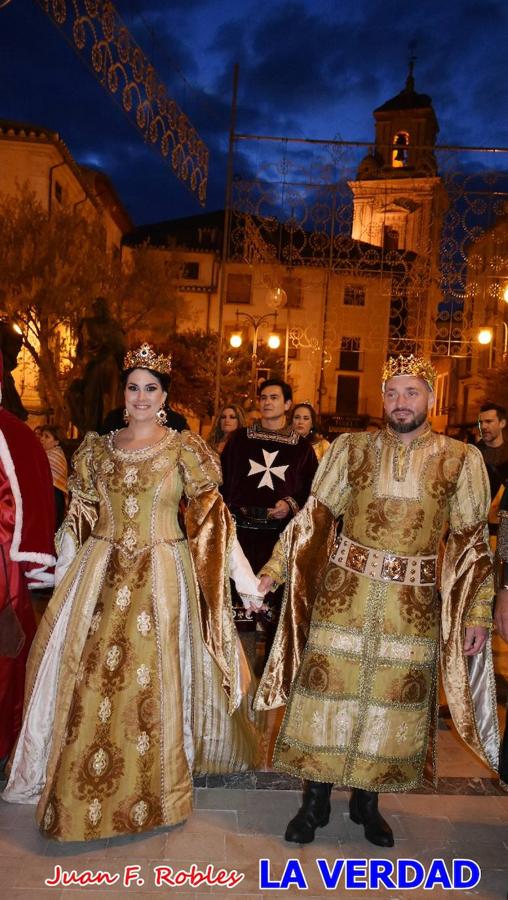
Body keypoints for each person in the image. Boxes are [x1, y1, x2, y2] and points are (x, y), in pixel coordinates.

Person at [3, 343, 264, 841]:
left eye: (151, 388)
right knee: (89, 678)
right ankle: (78, 786)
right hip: (99, 574)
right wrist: (58, 580)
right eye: (133, 387)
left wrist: (245, 583)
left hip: (163, 575)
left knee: (155, 678)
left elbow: (213, 523)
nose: (141, 397)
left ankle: (158, 790)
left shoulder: (184, 450)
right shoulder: (98, 450)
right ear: (122, 393)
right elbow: (77, 522)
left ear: (164, 396)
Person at [256, 354, 498, 848]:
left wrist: (477, 611)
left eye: (412, 393)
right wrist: (275, 567)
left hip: (412, 605)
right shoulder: (351, 449)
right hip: (345, 594)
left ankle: (368, 802)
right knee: (327, 694)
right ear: (382, 398)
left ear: (431, 398)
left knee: (391, 704)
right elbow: (317, 516)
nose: (401, 402)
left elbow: (472, 542)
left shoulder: (461, 458)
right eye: (393, 393)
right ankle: (314, 801)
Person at [221, 379, 318, 662]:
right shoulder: (239, 440)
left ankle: (270, 681)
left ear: (287, 404)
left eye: (274, 397)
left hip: (277, 540)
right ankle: (241, 679)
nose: (267, 402)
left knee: (275, 614)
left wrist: (289, 504)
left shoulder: (301, 449)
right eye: (263, 397)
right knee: (240, 616)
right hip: (240, 537)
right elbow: (222, 479)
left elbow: (312, 489)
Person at [0, 352, 55, 768]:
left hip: (3, 570)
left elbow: (34, 498)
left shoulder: (15, 435)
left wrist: (33, 562)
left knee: (5, 651)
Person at [40, 426, 68, 530]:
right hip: (46, 496)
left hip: (53, 497)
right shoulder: (44, 454)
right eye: (42, 435)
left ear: (56, 442)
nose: (42, 438)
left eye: (47, 437)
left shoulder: (55, 456)